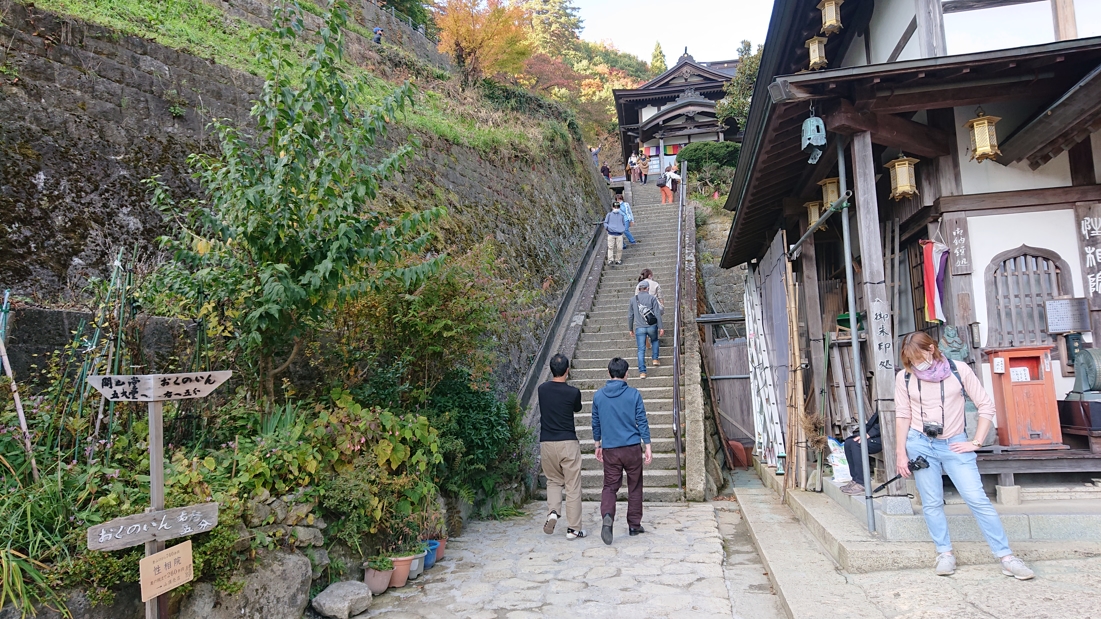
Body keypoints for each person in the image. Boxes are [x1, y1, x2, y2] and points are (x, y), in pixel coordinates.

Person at [895, 331, 1034, 580]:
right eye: (910, 359)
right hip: (920, 443)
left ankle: (1006, 557)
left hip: (955, 442)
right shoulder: (904, 377)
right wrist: (900, 453)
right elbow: (903, 415)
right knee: (931, 501)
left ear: (931, 349)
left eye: (918, 357)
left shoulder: (958, 370)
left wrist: (976, 442)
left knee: (976, 498)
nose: (915, 363)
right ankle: (944, 553)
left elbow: (986, 405)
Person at [592, 357, 652, 545]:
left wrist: (597, 445)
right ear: (627, 374)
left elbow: (596, 422)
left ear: (609, 373)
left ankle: (607, 516)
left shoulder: (598, 396)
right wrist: (647, 445)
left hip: (610, 449)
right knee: (635, 485)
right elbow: (642, 420)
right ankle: (634, 525)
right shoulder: (634, 394)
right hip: (632, 447)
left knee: (610, 486)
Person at [538, 354, 586, 540]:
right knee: (572, 485)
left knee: (553, 480)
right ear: (567, 370)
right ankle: (573, 529)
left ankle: (553, 512)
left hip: (547, 443)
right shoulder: (573, 392)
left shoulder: (542, 390)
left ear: (551, 369)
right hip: (567, 442)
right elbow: (577, 408)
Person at [628, 280, 663, 379]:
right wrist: (661, 327)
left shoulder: (633, 300)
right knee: (655, 340)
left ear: (639, 289)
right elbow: (657, 314)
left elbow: (630, 316)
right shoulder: (652, 298)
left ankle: (642, 372)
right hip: (652, 326)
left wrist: (630, 329)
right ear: (647, 288)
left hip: (639, 328)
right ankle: (655, 359)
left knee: (641, 349)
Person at [841, 412, 881, 495]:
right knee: (849, 442)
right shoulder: (880, 405)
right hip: (877, 434)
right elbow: (872, 421)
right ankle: (855, 479)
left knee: (857, 445)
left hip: (887, 436)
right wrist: (862, 433)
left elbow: (887, 421)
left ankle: (862, 483)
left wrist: (869, 434)